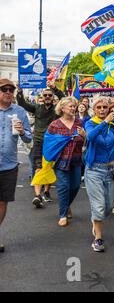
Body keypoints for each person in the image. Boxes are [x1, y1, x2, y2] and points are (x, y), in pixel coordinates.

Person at [84, 79, 114, 252]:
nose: (102, 110)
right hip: (94, 170)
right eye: (99, 107)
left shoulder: (112, 122)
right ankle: (98, 238)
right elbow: (91, 137)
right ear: (93, 109)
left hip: (110, 170)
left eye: (105, 107)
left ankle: (96, 220)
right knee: (99, 207)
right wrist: (104, 122)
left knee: (109, 208)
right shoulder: (90, 123)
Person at [16, 84, 64, 208]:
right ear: (42, 97)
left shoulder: (57, 110)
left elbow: (64, 100)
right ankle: (37, 195)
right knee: (38, 167)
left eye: (50, 95)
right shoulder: (37, 107)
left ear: (53, 97)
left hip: (52, 142)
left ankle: (47, 191)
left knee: (49, 167)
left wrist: (55, 88)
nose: (47, 97)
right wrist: (20, 91)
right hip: (38, 141)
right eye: (45, 95)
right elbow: (22, 103)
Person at [0, 79, 32, 253]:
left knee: (2, 202)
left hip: (8, 165)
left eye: (11, 89)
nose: (8, 92)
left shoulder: (19, 111)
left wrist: (21, 131)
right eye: (4, 89)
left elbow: (28, 138)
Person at [47, 97, 85, 227]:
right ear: (62, 108)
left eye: (74, 106)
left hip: (76, 160)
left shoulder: (79, 122)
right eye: (71, 106)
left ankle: (67, 204)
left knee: (75, 186)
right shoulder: (55, 124)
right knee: (63, 187)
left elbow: (86, 141)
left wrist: (84, 135)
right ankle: (63, 214)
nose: (73, 108)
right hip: (61, 160)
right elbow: (49, 142)